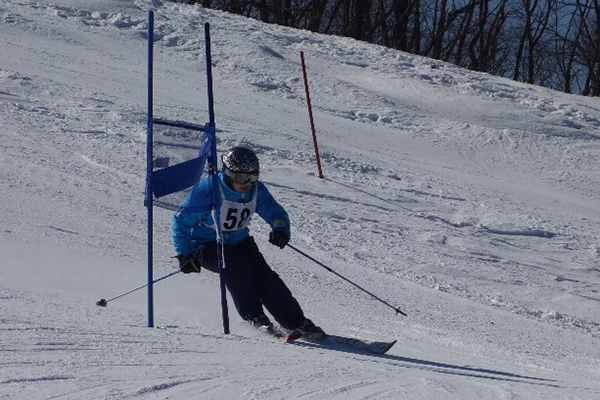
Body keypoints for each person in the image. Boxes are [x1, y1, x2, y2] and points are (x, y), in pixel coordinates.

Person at [172, 146, 325, 338]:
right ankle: (256, 317)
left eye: (253, 178)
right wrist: (184, 254)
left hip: (239, 241)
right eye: (242, 178)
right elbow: (180, 221)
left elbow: (276, 213)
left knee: (265, 276)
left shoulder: (256, 191)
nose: (248, 184)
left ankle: (295, 321)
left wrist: (280, 230)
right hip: (206, 244)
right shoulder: (209, 189)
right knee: (236, 266)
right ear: (227, 174)